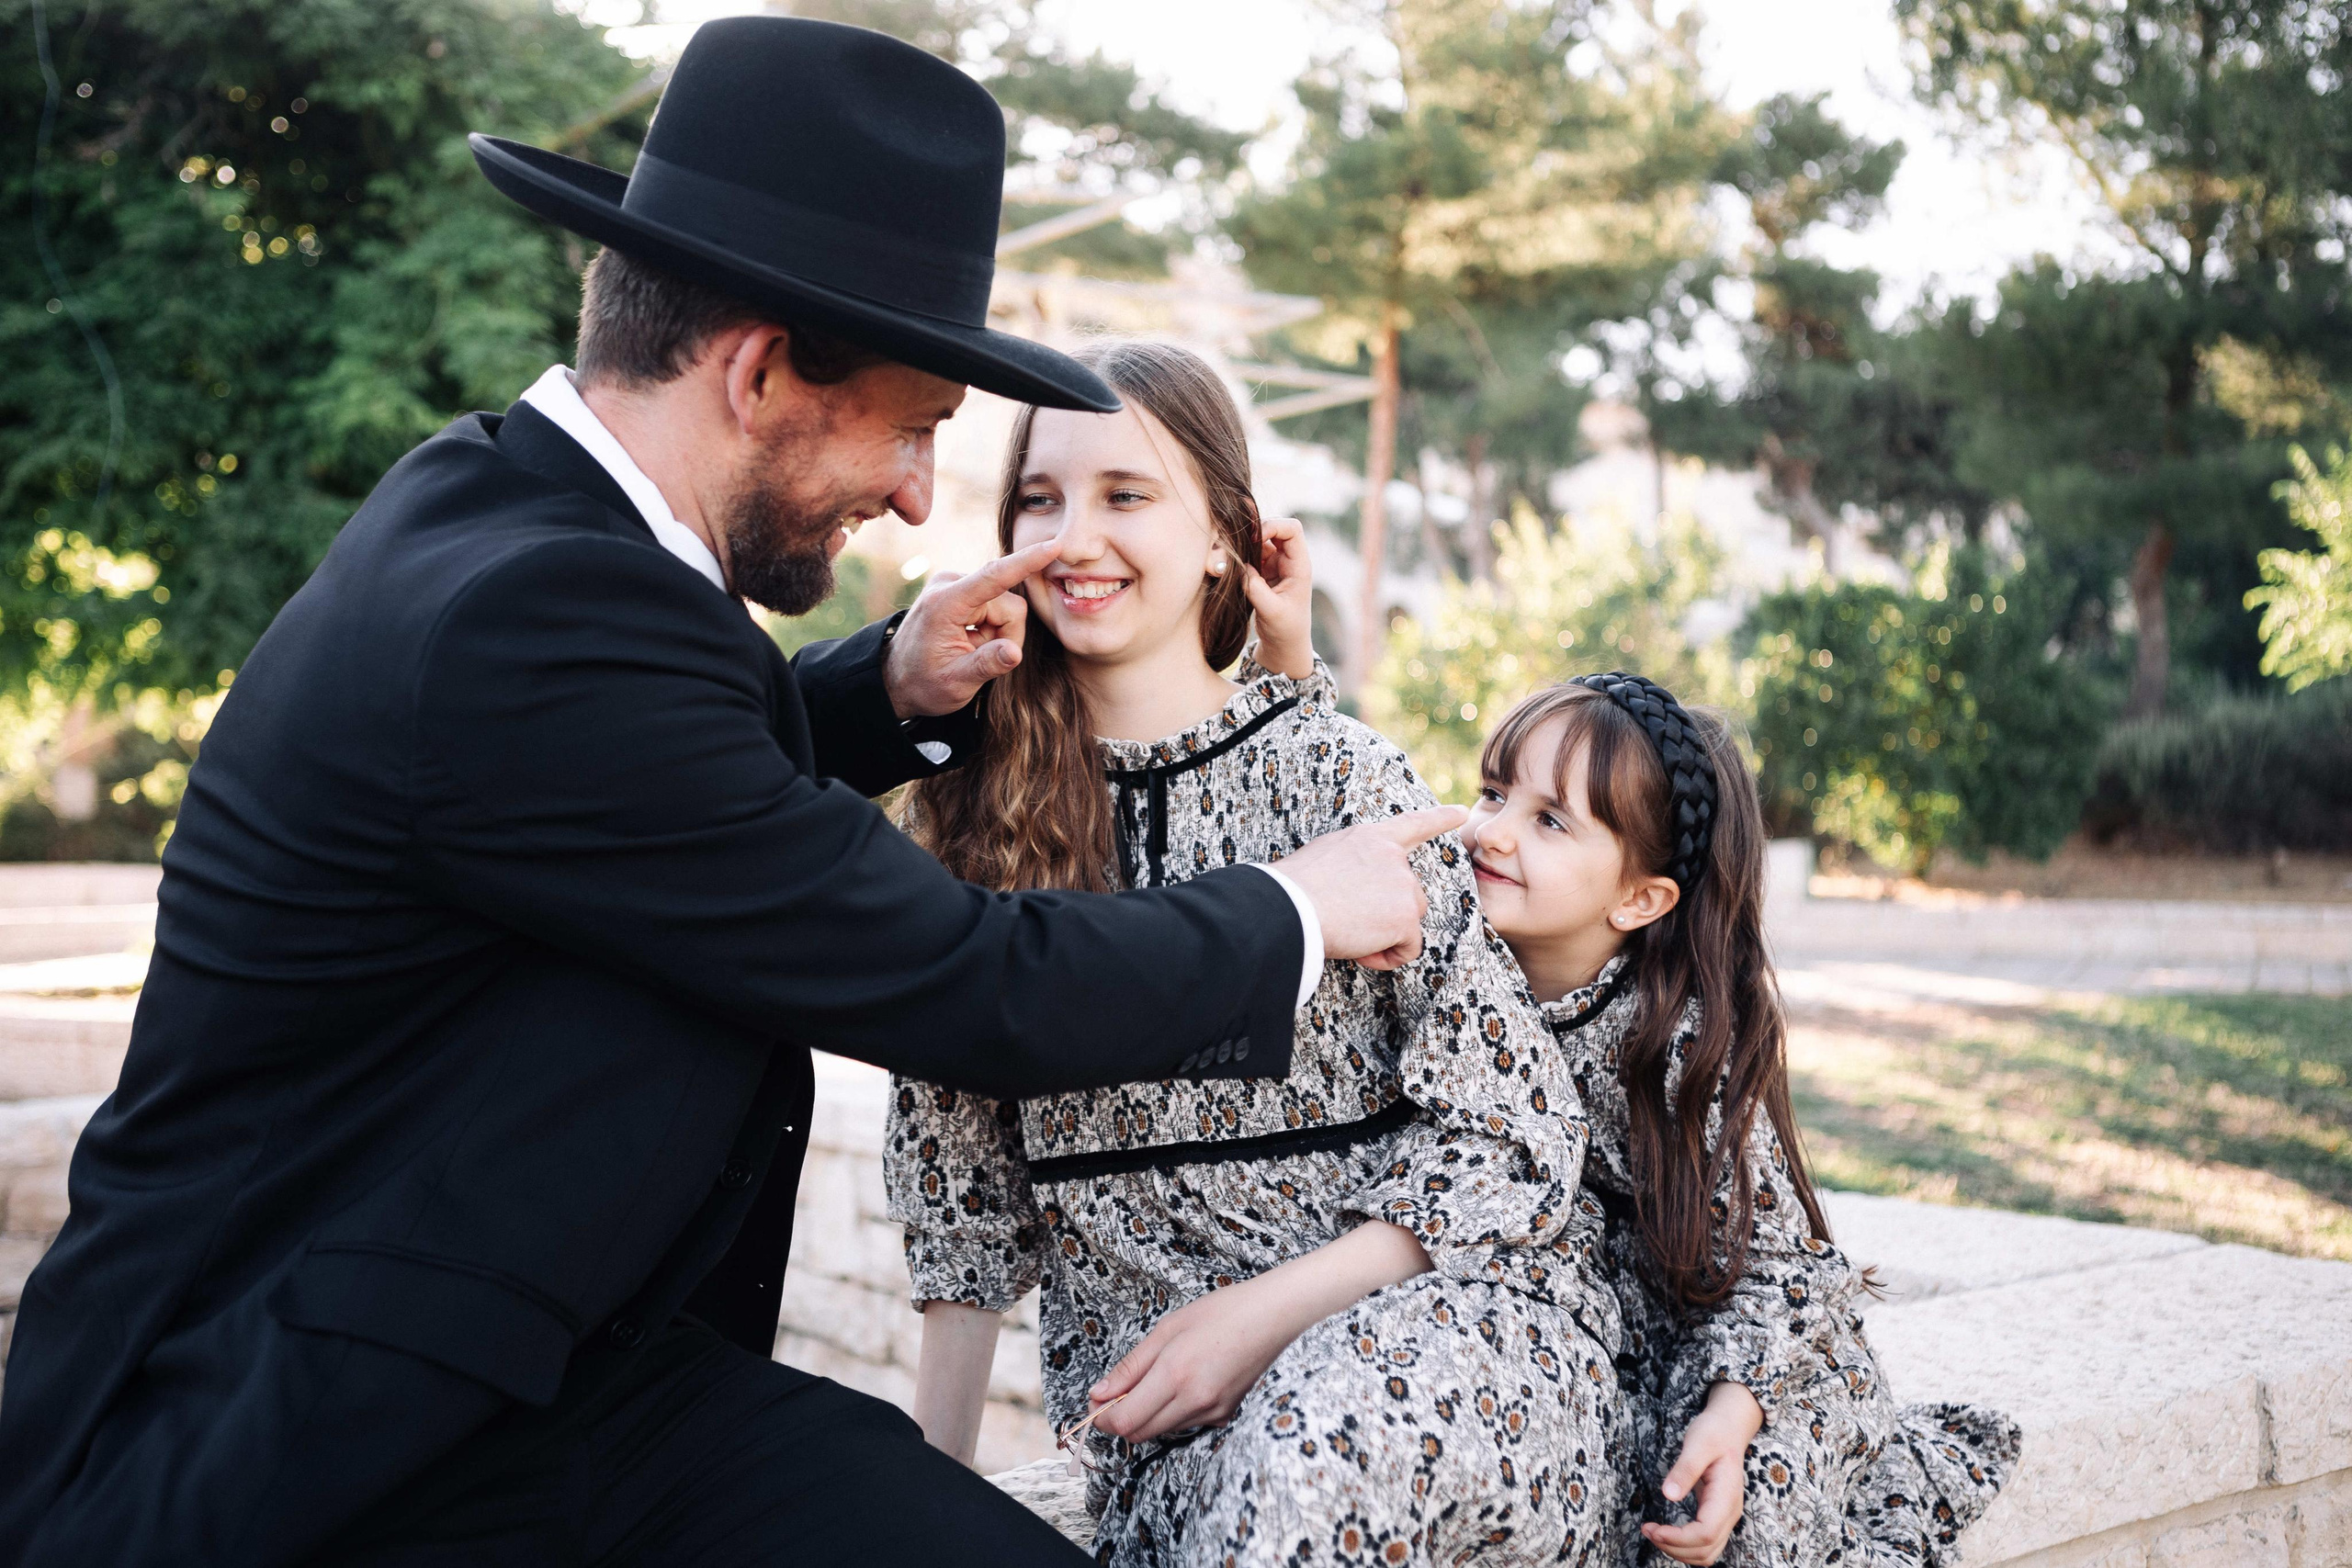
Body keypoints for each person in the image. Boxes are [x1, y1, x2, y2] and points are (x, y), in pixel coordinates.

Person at [0, 22, 1459, 1568]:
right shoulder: (546, 618)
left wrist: (879, 687)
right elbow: (963, 975)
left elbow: (632, 807)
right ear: (759, 373)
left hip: (548, 1376)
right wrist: (1300, 909)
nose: (917, 493)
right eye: (913, 428)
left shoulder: (503, 511)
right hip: (299, 1446)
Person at [885, 339, 1626, 1567]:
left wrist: (1257, 1322)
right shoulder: (966, 826)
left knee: (1304, 1455)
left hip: (1446, 1338)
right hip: (1174, 1424)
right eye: (1040, 497)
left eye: (1127, 495)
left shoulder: (1344, 779)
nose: (1075, 537)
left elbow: (1513, 1133)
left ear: (1224, 539)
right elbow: (959, 1205)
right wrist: (924, 1501)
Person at [1464, 676, 2021, 1566]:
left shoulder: (1676, 1043)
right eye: (1493, 792)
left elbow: (1780, 1269)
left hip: (1754, 1363)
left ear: (1638, 900)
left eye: (1549, 820)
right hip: (1599, 1352)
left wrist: (1731, 1412)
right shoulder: (1457, 978)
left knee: (1731, 1517)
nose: (1490, 831)